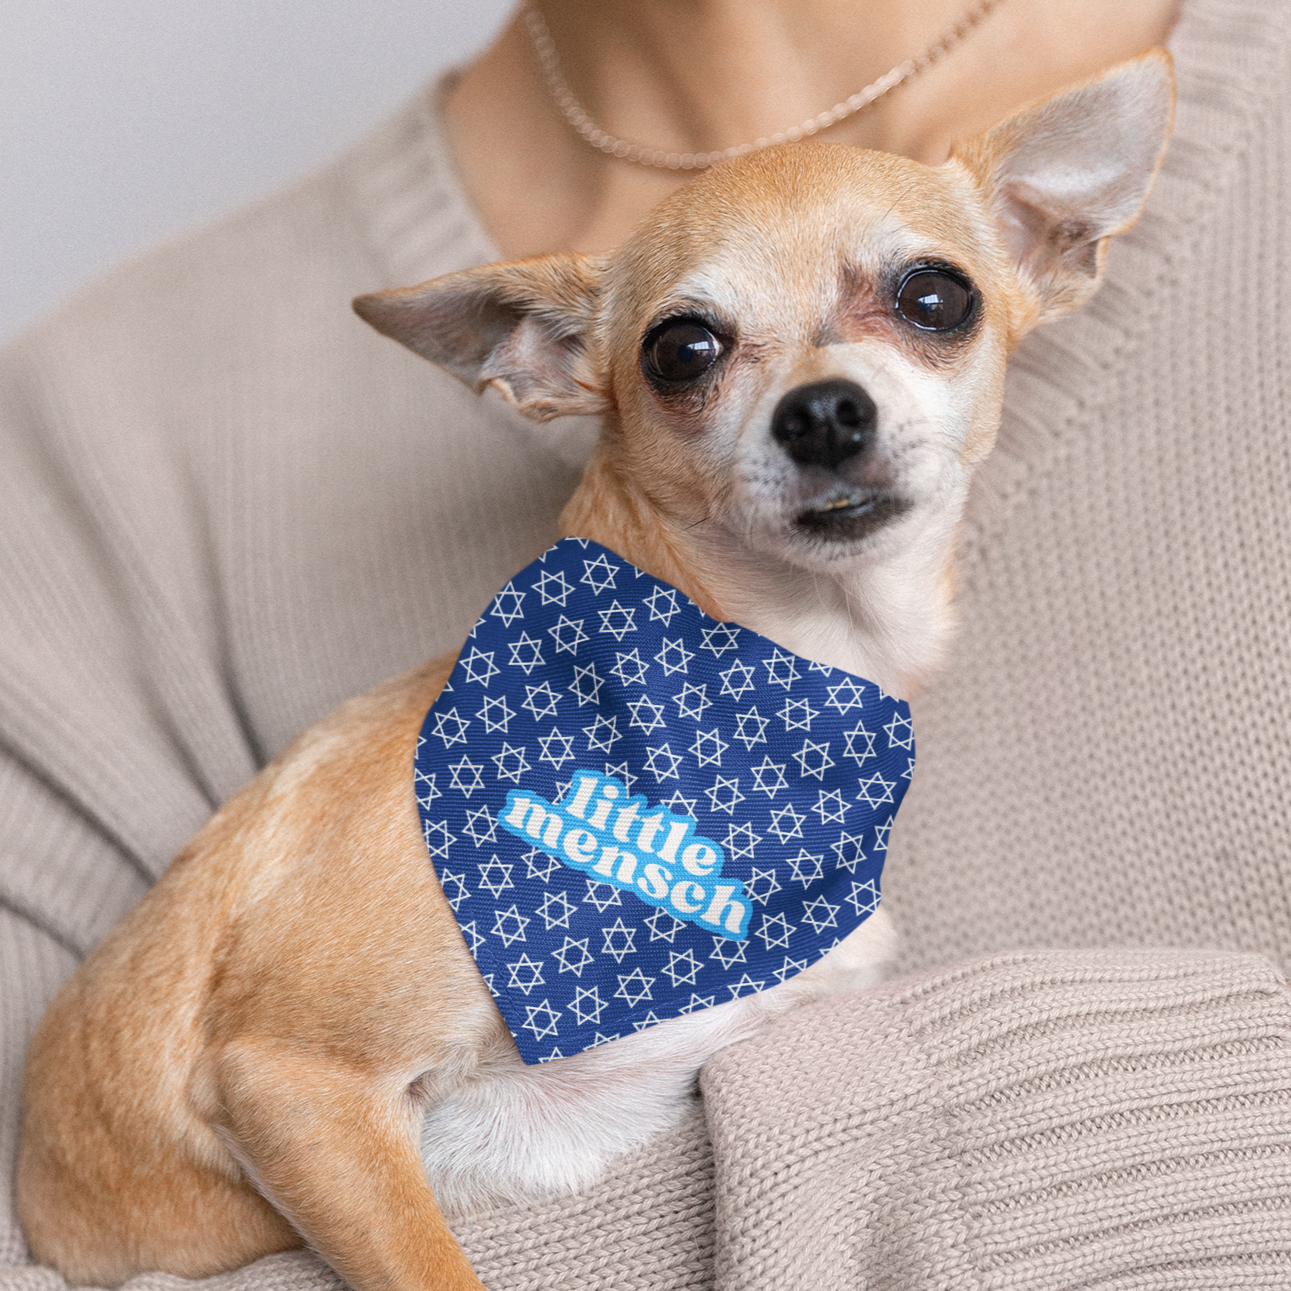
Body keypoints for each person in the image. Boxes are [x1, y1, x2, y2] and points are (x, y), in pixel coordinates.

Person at [4, 1, 1291, 1286]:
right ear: (561, 361)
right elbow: (280, 1075)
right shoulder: (97, 450)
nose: (821, 396)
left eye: (924, 300)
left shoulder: (798, 807)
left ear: (1045, 241)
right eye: (694, 352)